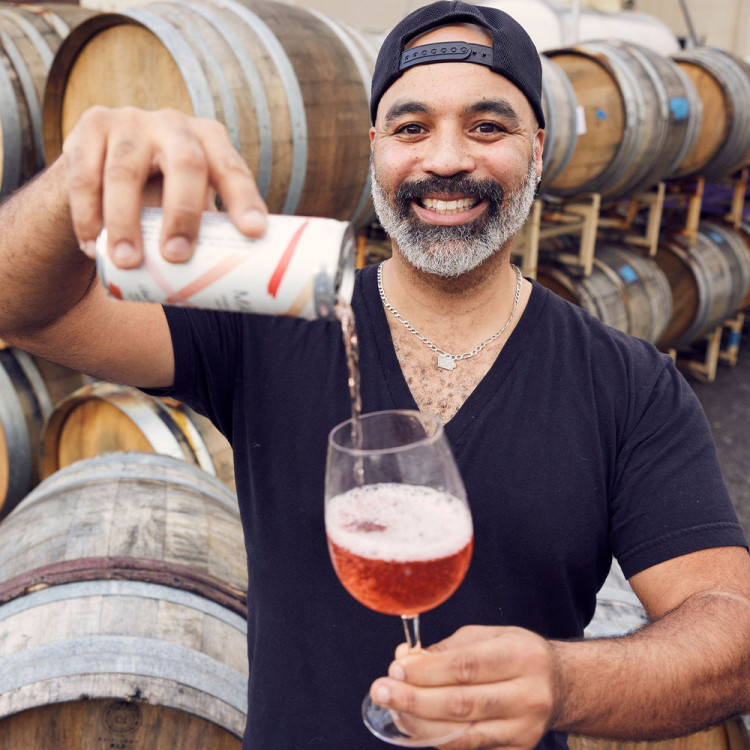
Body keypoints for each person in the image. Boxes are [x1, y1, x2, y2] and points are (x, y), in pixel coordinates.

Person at [1, 2, 749, 748]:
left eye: (488, 126)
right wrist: (72, 189)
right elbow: (23, 309)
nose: (446, 159)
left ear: (540, 149)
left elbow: (732, 627)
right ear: (375, 150)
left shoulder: (628, 386)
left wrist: (566, 681)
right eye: (411, 127)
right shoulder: (272, 321)